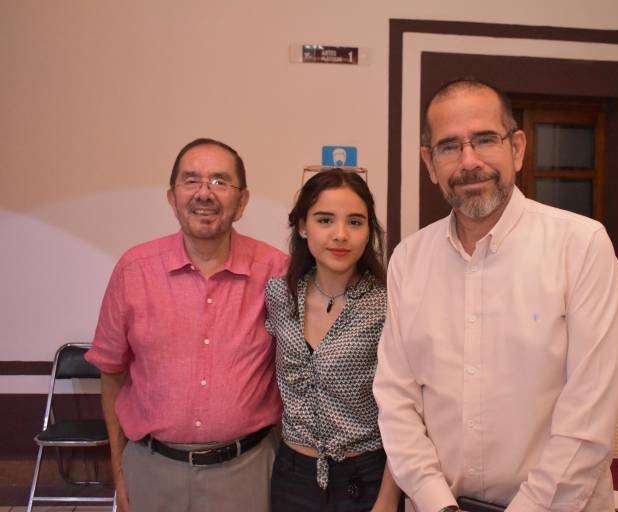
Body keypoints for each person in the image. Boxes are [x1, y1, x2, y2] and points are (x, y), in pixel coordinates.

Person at [372, 78, 618, 512]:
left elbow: (589, 418)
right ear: (430, 163)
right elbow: (396, 400)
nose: (469, 161)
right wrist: (438, 503)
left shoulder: (582, 247)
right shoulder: (408, 260)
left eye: (485, 140)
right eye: (449, 146)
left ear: (517, 149)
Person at [85, 138, 287, 512]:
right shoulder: (134, 270)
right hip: (151, 472)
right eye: (191, 180)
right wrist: (120, 474)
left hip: (248, 473)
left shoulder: (276, 272)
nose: (204, 193)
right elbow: (111, 375)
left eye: (220, 181)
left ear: (242, 202)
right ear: (172, 197)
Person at [264, 168, 403, 511]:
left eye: (355, 222)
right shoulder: (278, 294)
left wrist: (387, 499)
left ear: (369, 231)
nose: (340, 235)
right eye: (325, 220)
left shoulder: (388, 303)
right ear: (302, 226)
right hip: (292, 474)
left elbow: (408, 409)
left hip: (366, 476)